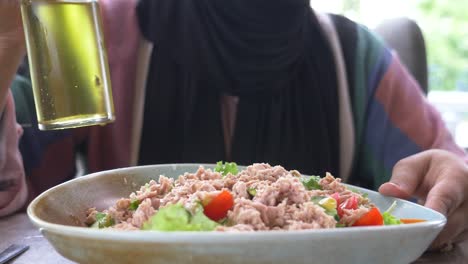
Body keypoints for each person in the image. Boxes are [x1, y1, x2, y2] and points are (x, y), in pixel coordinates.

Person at [1, 0, 467, 250]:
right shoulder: (93, 36)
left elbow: (436, 187)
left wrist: (451, 183)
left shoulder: (357, 59)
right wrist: (5, 46)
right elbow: (15, 182)